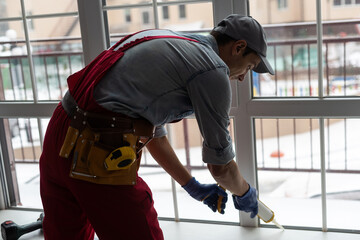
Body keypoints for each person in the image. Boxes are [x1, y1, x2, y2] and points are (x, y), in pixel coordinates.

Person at [39, 14, 274, 240]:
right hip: (95, 146)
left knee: (66, 233)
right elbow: (221, 168)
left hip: (60, 134)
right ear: (239, 47)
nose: (243, 77)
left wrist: (191, 185)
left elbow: (154, 136)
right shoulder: (212, 71)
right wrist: (244, 193)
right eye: (249, 67)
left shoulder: (170, 41)